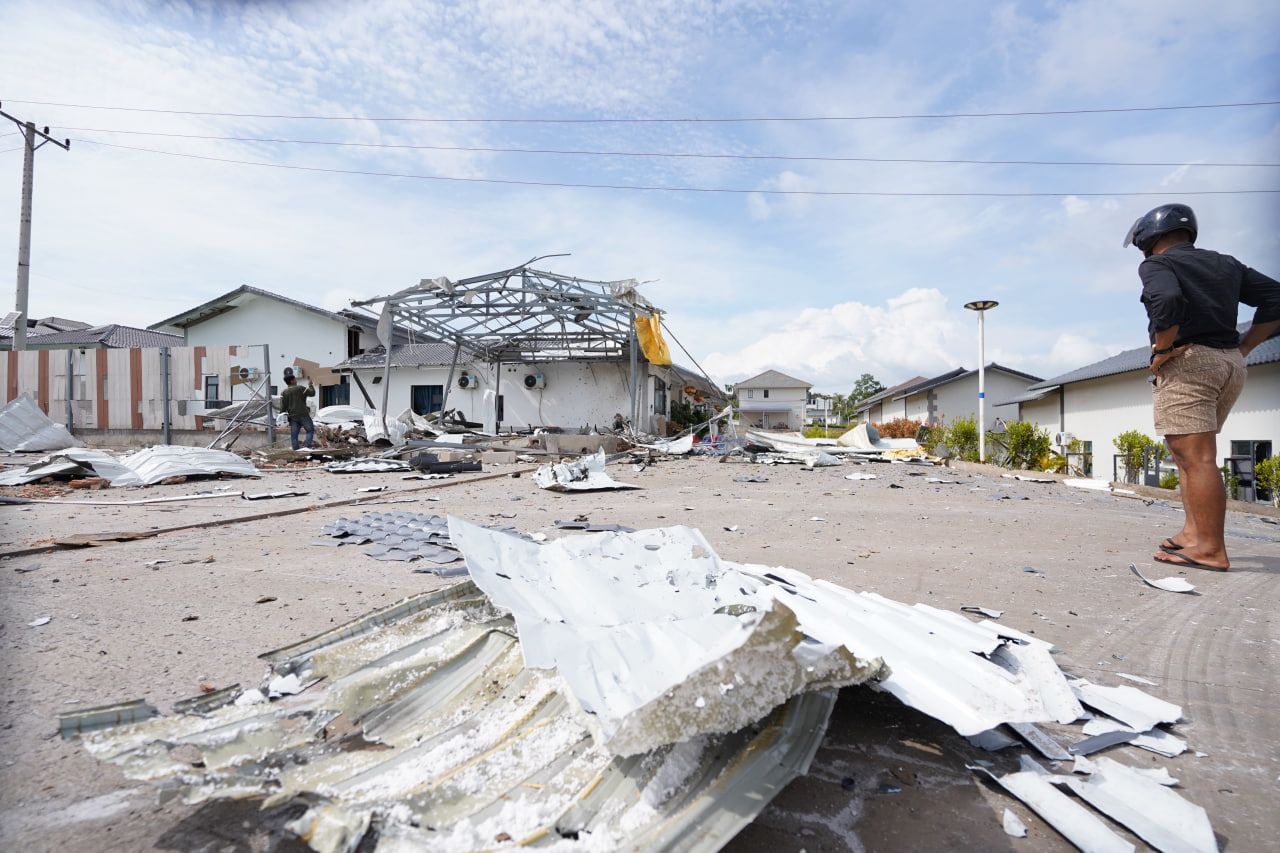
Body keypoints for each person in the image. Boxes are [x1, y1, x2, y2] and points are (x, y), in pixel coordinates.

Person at [1124, 203, 1280, 571]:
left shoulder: (1157, 264)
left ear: (1149, 237)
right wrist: (1244, 348)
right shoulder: (1226, 263)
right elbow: (1275, 296)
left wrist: (1162, 349)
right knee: (1186, 454)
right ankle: (1193, 533)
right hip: (1229, 364)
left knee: (1197, 458)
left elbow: (1167, 300)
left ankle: (1209, 548)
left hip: (1190, 363)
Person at [280, 373, 317, 450]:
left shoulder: (283, 392)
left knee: (294, 435)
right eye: (295, 379)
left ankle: (296, 451)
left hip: (293, 417)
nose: (296, 381)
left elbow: (283, 408)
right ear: (292, 381)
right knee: (310, 430)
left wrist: (282, 419)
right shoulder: (300, 388)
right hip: (303, 415)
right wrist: (310, 385)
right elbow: (312, 393)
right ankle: (306, 448)